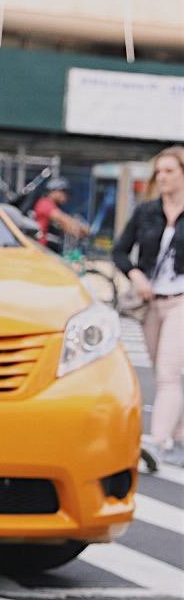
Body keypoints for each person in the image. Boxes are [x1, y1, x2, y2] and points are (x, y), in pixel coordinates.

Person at [112, 145, 184, 463]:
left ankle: (156, 441)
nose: (163, 177)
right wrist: (136, 274)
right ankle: (180, 437)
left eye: (170, 171)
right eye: (160, 171)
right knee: (163, 371)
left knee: (170, 372)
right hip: (151, 303)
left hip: (181, 301)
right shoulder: (147, 211)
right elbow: (120, 250)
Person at [32, 179, 87, 253]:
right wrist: (81, 228)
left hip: (47, 250)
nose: (66, 195)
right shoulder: (45, 203)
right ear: (53, 191)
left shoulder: (55, 206)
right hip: (40, 250)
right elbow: (66, 222)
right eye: (63, 191)